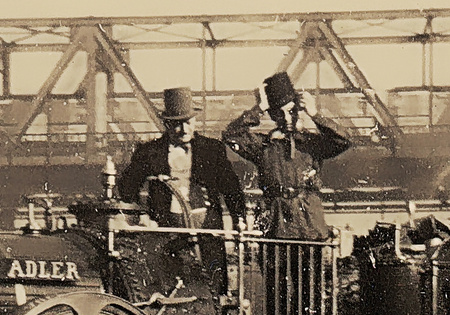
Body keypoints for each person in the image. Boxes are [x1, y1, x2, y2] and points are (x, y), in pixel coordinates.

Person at [222, 72, 352, 241]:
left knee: (311, 265)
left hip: (308, 222)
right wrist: (260, 108)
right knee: (274, 265)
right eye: (279, 114)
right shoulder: (264, 146)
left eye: (291, 111)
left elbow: (344, 140)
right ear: (273, 116)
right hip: (275, 222)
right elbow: (231, 135)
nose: (287, 118)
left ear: (299, 109)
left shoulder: (311, 144)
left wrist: (314, 114)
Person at [118, 86, 245, 232]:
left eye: (188, 123)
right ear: (167, 124)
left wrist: (239, 219)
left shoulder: (212, 149)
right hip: (166, 228)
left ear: (195, 120)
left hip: (207, 228)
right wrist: (141, 214)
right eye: (178, 124)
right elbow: (127, 187)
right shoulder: (149, 152)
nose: (185, 130)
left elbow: (231, 189)